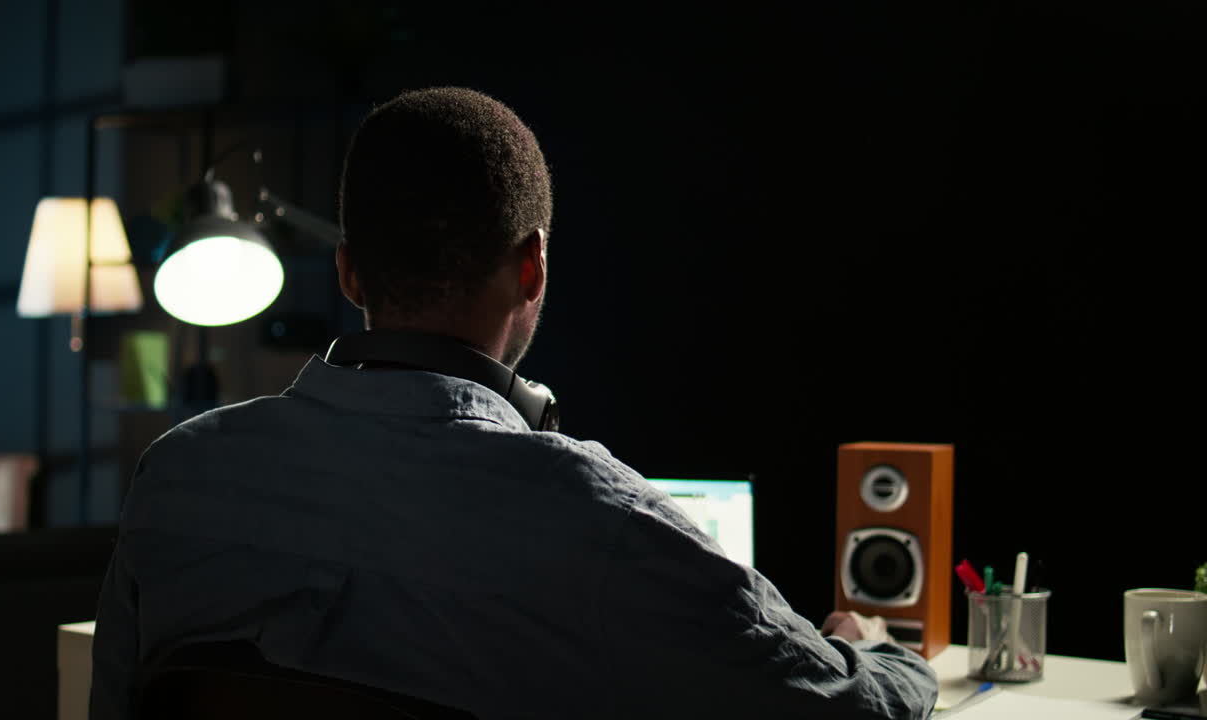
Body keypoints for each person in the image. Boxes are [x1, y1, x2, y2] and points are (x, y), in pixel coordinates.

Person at [90, 87, 938, 719]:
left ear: (348, 272)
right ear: (532, 267)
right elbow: (847, 710)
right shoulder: (594, 517)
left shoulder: (178, 472)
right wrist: (879, 653)